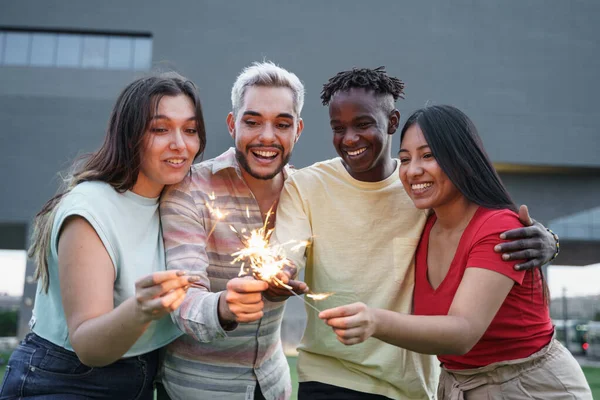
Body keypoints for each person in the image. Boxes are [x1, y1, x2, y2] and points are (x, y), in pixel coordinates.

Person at [272, 67, 560, 400]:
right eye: (339, 128)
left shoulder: (422, 191)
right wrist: (279, 271)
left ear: (392, 122)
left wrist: (549, 239)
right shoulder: (307, 185)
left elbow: (481, 222)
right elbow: (286, 251)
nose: (349, 138)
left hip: (415, 387)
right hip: (331, 376)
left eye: (363, 124)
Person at [319, 104, 592, 399]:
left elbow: (463, 332)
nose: (413, 171)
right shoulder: (422, 225)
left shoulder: (499, 227)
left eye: (428, 156)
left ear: (462, 160)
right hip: (457, 386)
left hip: (531, 387)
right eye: (405, 159)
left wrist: (375, 321)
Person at [0, 72, 206, 400]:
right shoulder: (90, 208)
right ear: (129, 136)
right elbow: (88, 346)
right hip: (65, 380)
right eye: (160, 129)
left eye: (190, 130)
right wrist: (141, 309)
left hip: (139, 377)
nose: (180, 144)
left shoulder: (177, 201)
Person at [157, 61, 307, 400]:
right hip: (196, 391)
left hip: (273, 386)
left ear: (297, 130)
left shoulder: (305, 193)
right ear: (232, 124)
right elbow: (181, 297)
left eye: (282, 124)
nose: (267, 137)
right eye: (252, 122)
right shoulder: (190, 188)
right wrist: (225, 307)